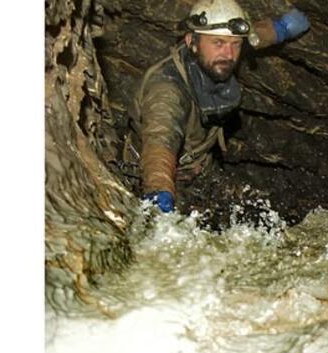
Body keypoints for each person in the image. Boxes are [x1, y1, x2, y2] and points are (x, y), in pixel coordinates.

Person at [124, 0, 310, 213]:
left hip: (202, 170)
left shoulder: (215, 55)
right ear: (191, 42)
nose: (229, 55)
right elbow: (160, 141)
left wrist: (281, 29)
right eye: (218, 43)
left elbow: (252, 37)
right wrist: (159, 190)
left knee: (266, 207)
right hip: (167, 178)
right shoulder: (167, 88)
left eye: (235, 45)